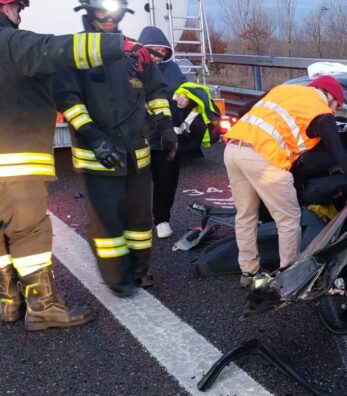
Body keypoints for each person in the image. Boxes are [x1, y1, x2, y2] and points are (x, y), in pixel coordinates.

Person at [0, 0, 152, 329]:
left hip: (130, 151)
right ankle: (44, 306)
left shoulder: (134, 63)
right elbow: (58, 53)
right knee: (29, 233)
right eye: (15, 8)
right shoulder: (14, 42)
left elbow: (154, 90)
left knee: (2, 236)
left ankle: (9, 302)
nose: (18, 14)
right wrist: (121, 45)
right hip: (18, 164)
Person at [52, 0, 177, 298]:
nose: (109, 19)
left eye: (115, 14)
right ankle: (116, 278)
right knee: (107, 221)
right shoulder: (74, 51)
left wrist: (166, 125)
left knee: (139, 220)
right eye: (101, 13)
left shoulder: (136, 52)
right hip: (98, 156)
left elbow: (156, 92)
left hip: (136, 154)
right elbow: (68, 99)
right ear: (89, 13)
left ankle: (139, 268)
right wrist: (93, 136)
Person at [223, 75, 347, 287]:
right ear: (330, 96)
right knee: (288, 220)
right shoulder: (321, 112)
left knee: (245, 216)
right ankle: (288, 278)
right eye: (338, 105)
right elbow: (341, 157)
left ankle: (249, 273)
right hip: (263, 159)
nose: (336, 111)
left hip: (233, 149)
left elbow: (243, 110)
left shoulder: (282, 90)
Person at [138, 26, 221, 239]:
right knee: (134, 185)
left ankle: (162, 220)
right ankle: (135, 223)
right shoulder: (131, 68)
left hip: (167, 140)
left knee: (166, 182)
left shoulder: (173, 70)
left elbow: (187, 92)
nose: (158, 54)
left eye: (161, 50)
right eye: (152, 50)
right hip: (138, 139)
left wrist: (187, 101)